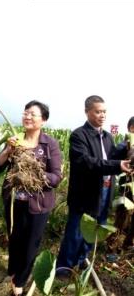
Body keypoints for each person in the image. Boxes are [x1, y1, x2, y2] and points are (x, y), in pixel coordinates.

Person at [56, 95, 132, 277]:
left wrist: (126, 149)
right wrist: (116, 165)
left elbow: (111, 156)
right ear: (87, 112)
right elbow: (86, 162)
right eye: (98, 111)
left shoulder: (107, 137)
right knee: (75, 233)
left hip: (105, 190)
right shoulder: (78, 135)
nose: (102, 115)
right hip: (85, 193)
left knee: (96, 228)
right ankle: (64, 269)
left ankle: (82, 260)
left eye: (104, 112)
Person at [0, 100, 62, 295]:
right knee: (14, 239)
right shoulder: (15, 141)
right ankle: (13, 272)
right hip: (15, 202)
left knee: (31, 244)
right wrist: (8, 151)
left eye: (33, 114)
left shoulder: (50, 145)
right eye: (25, 113)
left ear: (43, 120)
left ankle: (20, 282)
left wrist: (33, 171)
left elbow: (56, 177)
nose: (27, 116)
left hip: (38, 205)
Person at [112, 116, 134, 249]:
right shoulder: (123, 145)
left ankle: (128, 243)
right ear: (131, 128)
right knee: (122, 216)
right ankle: (112, 246)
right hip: (126, 186)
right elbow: (114, 159)